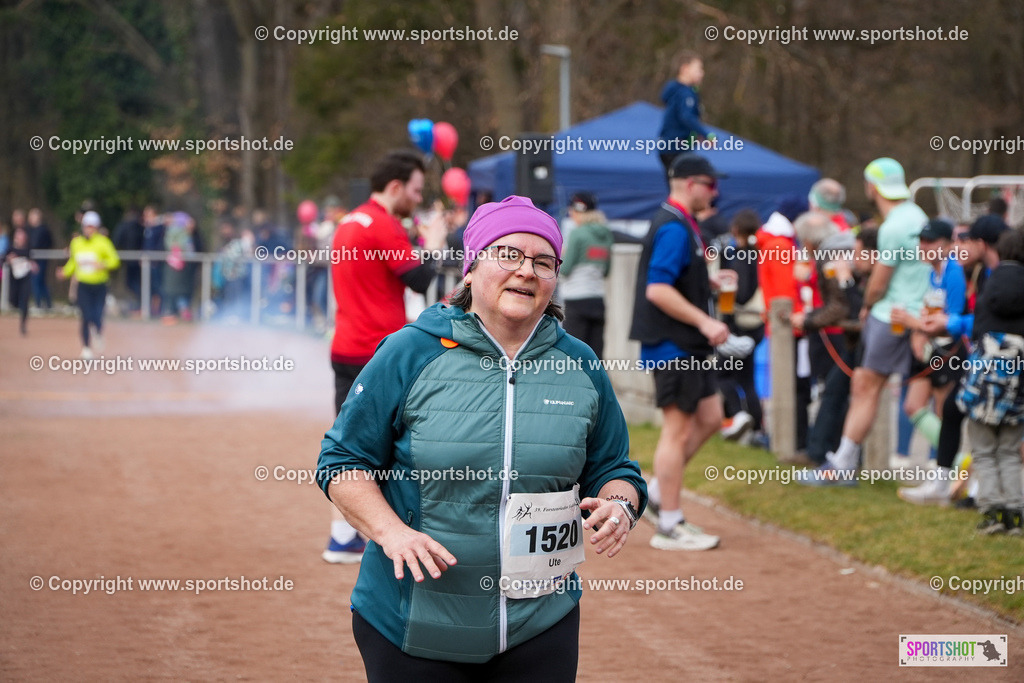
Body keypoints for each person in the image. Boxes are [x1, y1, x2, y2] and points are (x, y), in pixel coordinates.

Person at [316, 195, 645, 678]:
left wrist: (622, 505)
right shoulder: (409, 352)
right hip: (414, 625)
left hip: (540, 626)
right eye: (508, 254)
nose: (526, 271)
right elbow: (342, 461)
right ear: (471, 268)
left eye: (543, 261)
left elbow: (615, 468)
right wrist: (392, 534)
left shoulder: (582, 364)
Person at [323, 150, 447, 564]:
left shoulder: (350, 221)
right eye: (414, 190)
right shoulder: (383, 225)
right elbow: (422, 279)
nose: (417, 199)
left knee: (348, 442)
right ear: (395, 187)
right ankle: (368, 533)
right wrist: (434, 243)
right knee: (382, 449)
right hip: (375, 350)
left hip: (345, 344)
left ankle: (343, 534)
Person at [797, 157, 932, 485]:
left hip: (891, 316)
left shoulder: (893, 225)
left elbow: (879, 282)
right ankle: (952, 470)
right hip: (920, 313)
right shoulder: (918, 216)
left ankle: (842, 466)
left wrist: (867, 304)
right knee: (920, 398)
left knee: (865, 388)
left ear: (872, 186)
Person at [629, 153, 729, 551]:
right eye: (710, 184)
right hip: (674, 345)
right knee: (678, 429)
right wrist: (705, 321)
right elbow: (658, 288)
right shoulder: (673, 225)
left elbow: (677, 281)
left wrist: (709, 284)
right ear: (691, 184)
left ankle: (656, 493)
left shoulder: (682, 222)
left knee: (710, 417)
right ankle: (669, 523)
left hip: (685, 345)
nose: (715, 192)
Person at [899, 215, 1009, 504]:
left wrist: (937, 324)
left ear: (980, 243)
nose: (960, 247)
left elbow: (979, 320)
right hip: (977, 354)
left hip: (977, 356)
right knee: (953, 411)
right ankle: (956, 483)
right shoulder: (983, 272)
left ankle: (981, 490)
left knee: (992, 424)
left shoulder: (973, 273)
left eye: (965, 241)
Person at [954, 227, 1024, 534]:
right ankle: (1016, 512)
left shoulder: (991, 282)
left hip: (986, 379)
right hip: (1018, 381)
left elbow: (978, 332)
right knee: (1009, 451)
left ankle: (992, 511)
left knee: (983, 449)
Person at [890, 219, 967, 457]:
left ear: (946, 245)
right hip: (930, 351)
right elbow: (931, 313)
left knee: (943, 412)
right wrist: (918, 332)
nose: (923, 246)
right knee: (913, 406)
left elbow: (952, 325)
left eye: (929, 241)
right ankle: (953, 464)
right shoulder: (931, 272)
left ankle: (945, 468)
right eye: (921, 241)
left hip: (949, 352)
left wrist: (912, 323)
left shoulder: (954, 273)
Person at [717, 208, 765, 444]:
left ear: (735, 229)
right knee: (747, 379)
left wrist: (724, 295)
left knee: (722, 375)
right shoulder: (759, 254)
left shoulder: (741, 256)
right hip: (755, 326)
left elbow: (742, 294)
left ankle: (739, 417)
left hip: (740, 326)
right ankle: (756, 429)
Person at [57, 211, 120, 359]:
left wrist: (103, 265)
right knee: (85, 316)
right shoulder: (76, 243)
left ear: (96, 227)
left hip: (100, 285)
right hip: (83, 284)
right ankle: (86, 348)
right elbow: (73, 262)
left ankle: (97, 331)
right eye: (86, 226)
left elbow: (115, 261)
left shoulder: (103, 242)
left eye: (91, 227)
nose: (88, 229)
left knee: (97, 314)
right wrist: (64, 272)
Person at [560, 192, 613, 359]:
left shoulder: (577, 234)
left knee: (574, 356)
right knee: (596, 357)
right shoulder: (607, 234)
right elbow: (606, 271)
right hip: (598, 299)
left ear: (578, 211)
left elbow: (565, 269)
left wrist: (562, 255)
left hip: (576, 299)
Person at [657, 50, 712, 178]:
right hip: (677, 149)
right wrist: (707, 134)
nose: (702, 73)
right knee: (689, 187)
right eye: (699, 69)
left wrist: (695, 135)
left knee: (676, 187)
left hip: (668, 148)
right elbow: (686, 117)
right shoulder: (685, 93)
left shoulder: (676, 91)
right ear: (685, 69)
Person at [3, 225, 37, 335]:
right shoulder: (10, 249)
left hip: (25, 279)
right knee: (13, 301)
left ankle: (23, 325)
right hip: (14, 280)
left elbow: (31, 260)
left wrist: (33, 265)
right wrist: (8, 259)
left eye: (22, 235)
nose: (20, 237)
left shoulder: (28, 249)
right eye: (18, 235)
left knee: (25, 301)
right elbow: (3, 259)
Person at [27, 208, 53, 311]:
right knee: (39, 282)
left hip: (40, 259)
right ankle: (46, 303)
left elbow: (45, 243)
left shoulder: (43, 230)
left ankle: (40, 303)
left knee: (38, 281)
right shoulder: (29, 230)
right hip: (33, 259)